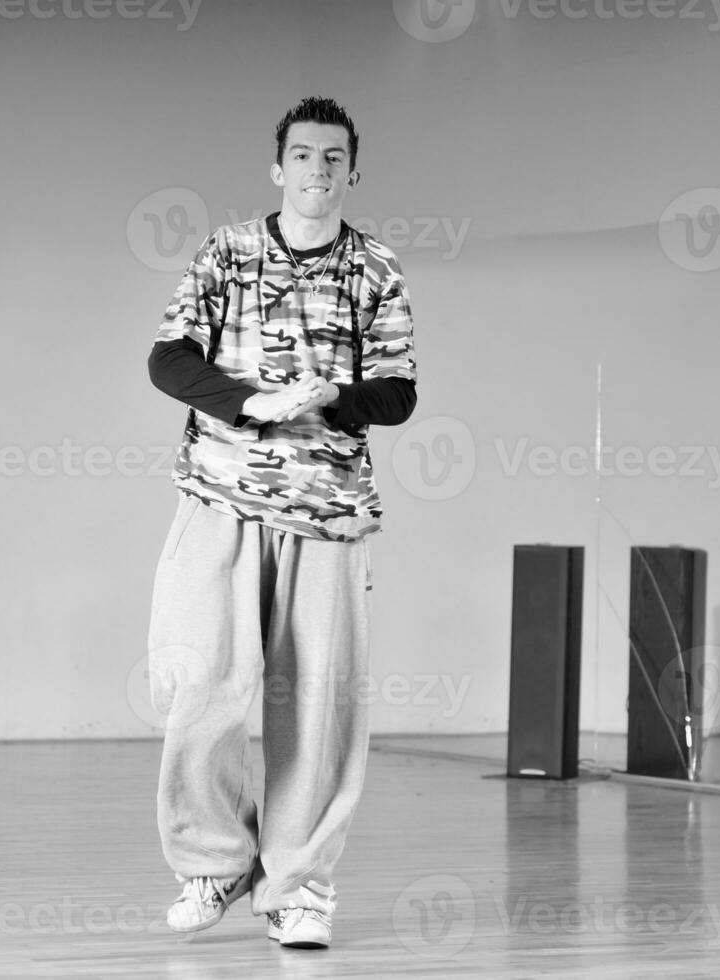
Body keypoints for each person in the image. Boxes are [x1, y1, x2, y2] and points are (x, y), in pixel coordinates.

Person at [144, 95, 418, 950]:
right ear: (278, 168)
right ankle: (215, 863)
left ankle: (297, 885)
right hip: (220, 499)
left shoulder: (376, 268)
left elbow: (400, 392)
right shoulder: (228, 252)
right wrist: (250, 403)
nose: (318, 170)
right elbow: (168, 357)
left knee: (318, 709)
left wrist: (338, 399)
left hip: (327, 516)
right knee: (200, 689)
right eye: (303, 155)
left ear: (352, 173)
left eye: (334, 158)